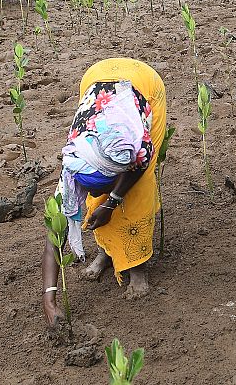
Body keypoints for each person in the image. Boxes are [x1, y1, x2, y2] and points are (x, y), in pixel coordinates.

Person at [42, 58, 166, 326]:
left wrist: (114, 201)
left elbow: (136, 171)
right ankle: (107, 252)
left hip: (146, 84)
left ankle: (138, 268)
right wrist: (48, 302)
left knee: (138, 189)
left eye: (112, 181)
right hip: (95, 78)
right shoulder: (75, 162)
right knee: (97, 201)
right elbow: (54, 233)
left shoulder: (136, 148)